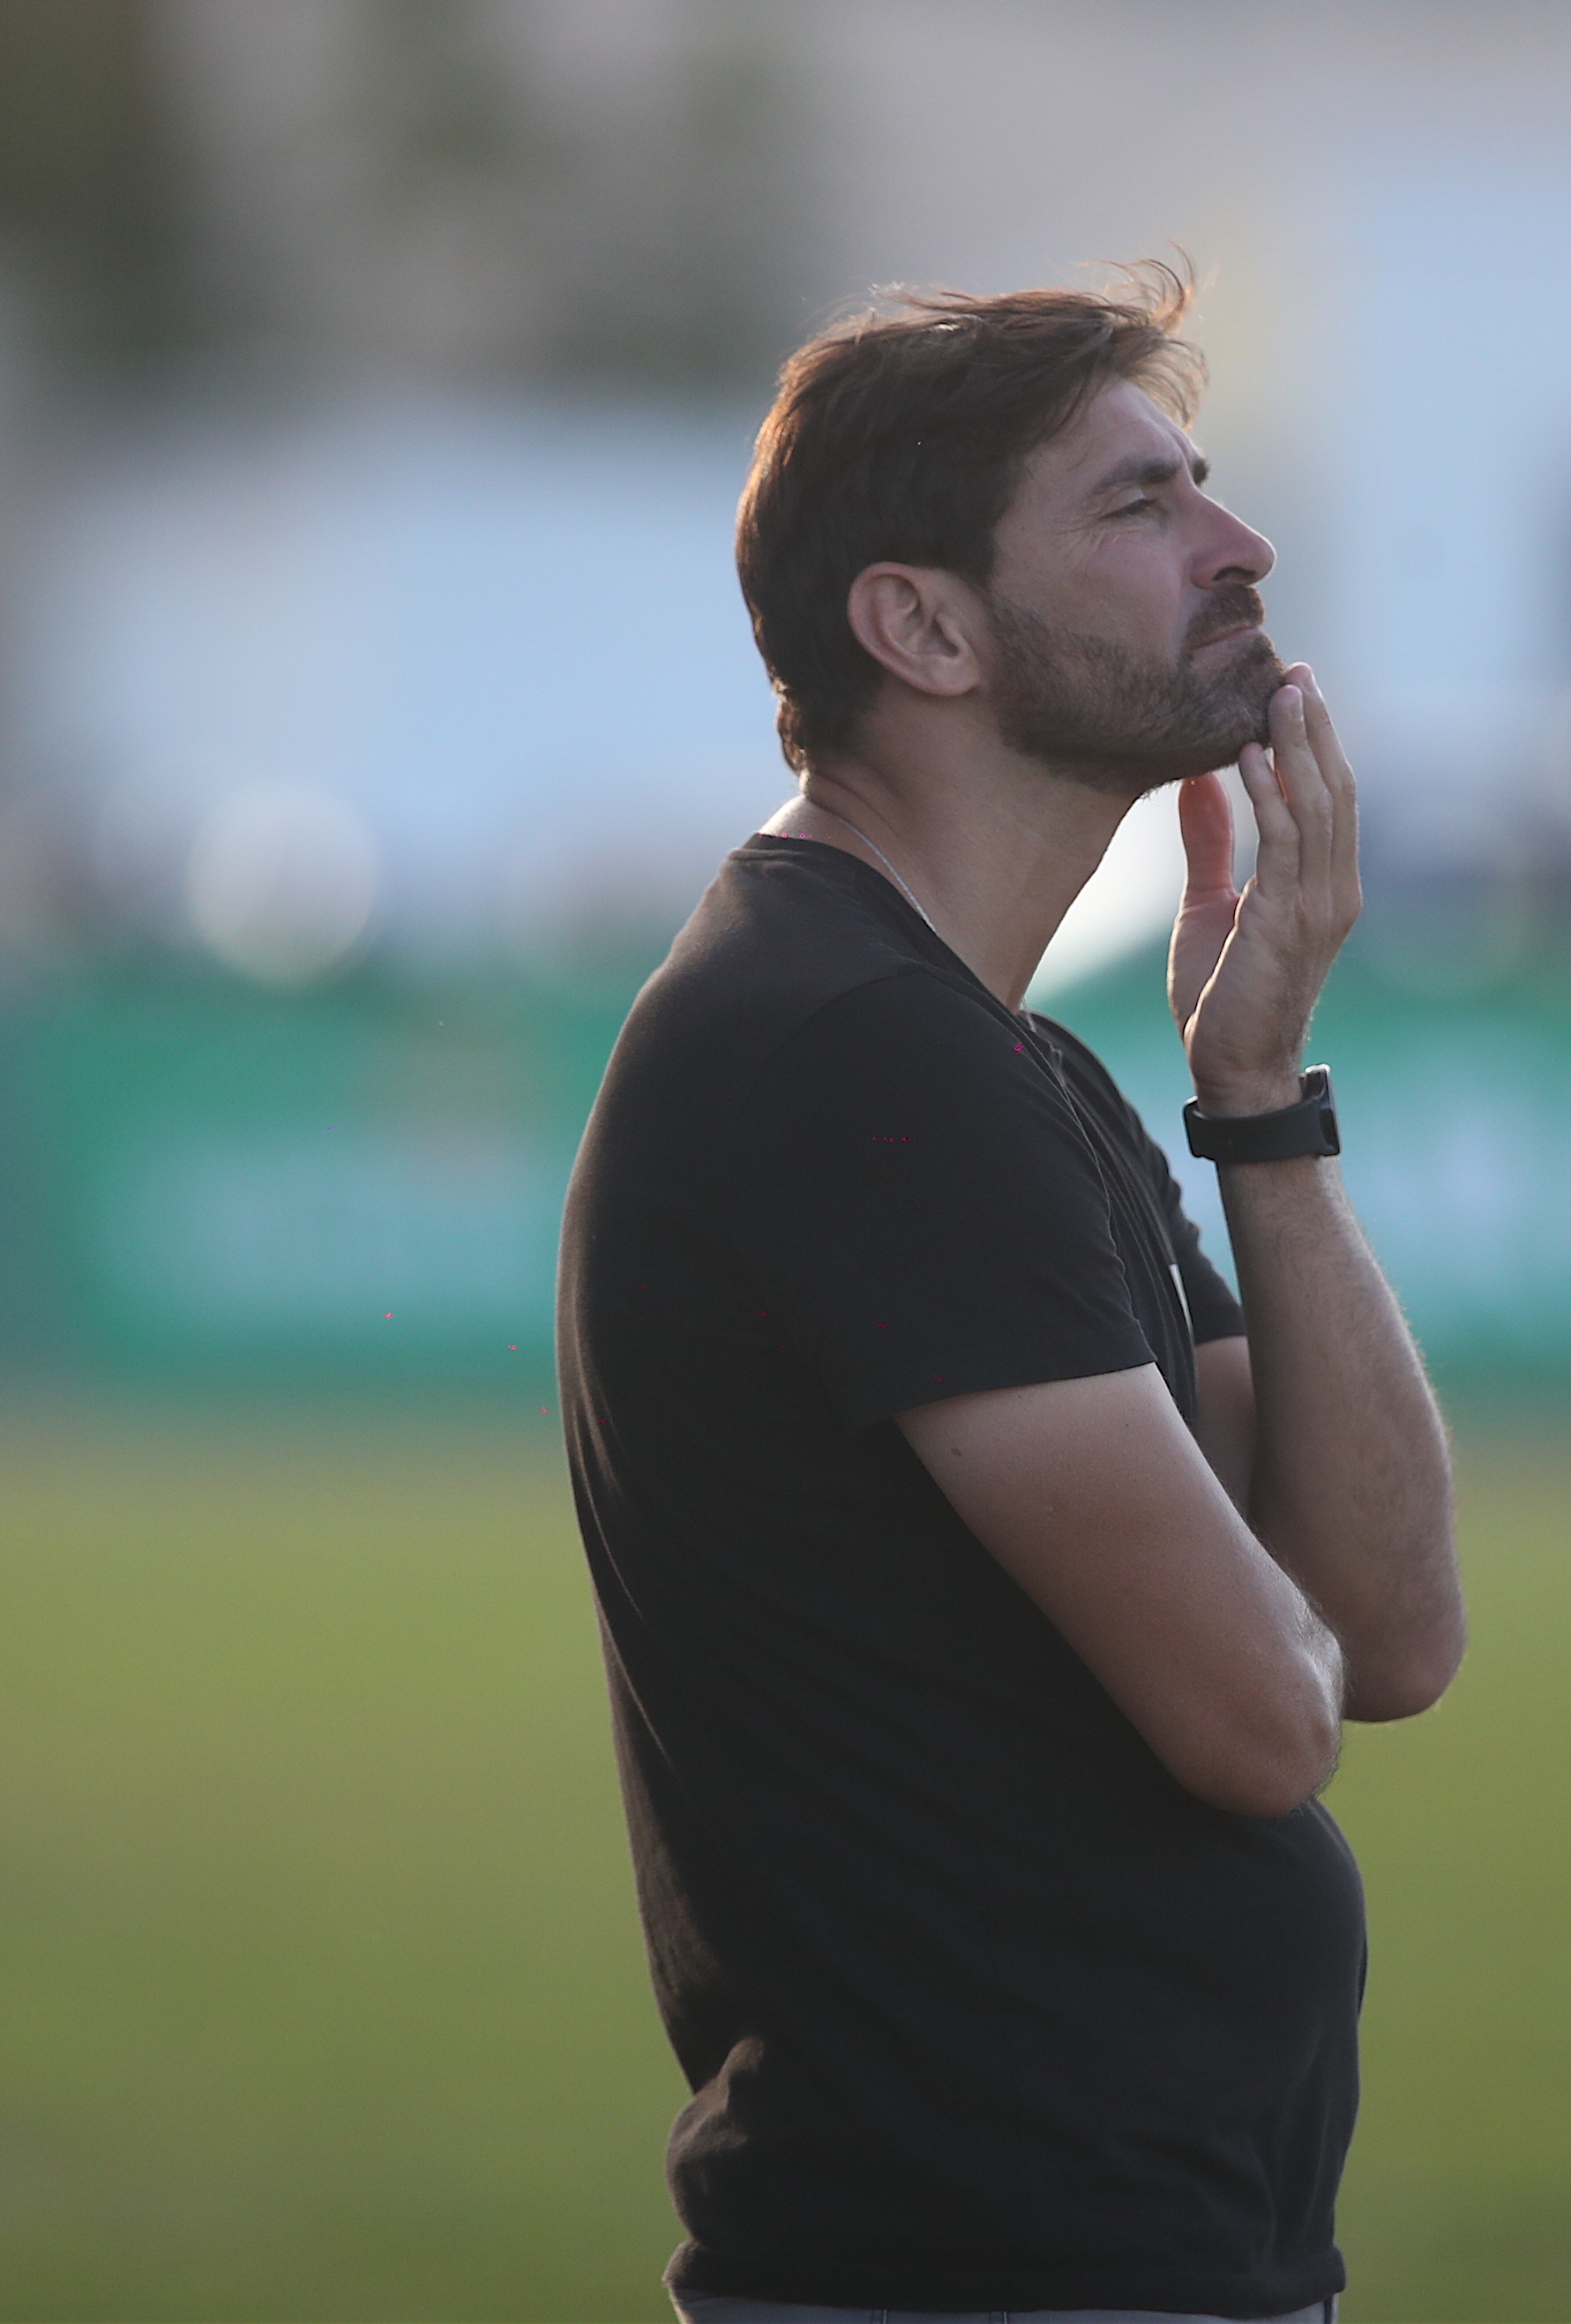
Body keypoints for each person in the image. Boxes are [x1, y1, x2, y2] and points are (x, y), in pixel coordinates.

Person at [557, 264, 1461, 2324]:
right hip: (982, 2281)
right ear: (926, 626)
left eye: (1204, 492)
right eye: (1139, 509)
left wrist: (1259, 1096)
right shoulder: (845, 1054)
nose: (1237, 552)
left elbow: (1387, 1630)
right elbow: (1261, 1716)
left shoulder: (999, 1061)